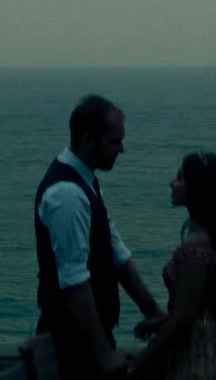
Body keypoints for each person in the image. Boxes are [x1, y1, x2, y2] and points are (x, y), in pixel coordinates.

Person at [36, 95, 167, 379]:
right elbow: (74, 280)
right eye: (115, 142)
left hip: (85, 338)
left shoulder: (85, 183)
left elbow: (115, 251)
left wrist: (152, 310)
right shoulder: (66, 195)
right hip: (71, 342)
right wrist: (103, 352)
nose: (121, 149)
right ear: (87, 140)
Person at [129, 152, 216, 380]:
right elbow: (207, 302)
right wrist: (164, 320)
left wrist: (137, 365)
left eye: (180, 179)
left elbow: (183, 319)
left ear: (198, 189)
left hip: (200, 358)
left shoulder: (194, 250)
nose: (172, 184)